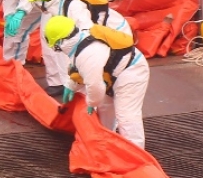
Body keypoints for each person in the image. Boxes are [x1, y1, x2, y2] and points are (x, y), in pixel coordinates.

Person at [44, 15, 151, 149]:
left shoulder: (88, 54)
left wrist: (91, 103)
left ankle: (136, 154)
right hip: (114, 71)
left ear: (59, 41)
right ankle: (105, 144)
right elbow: (78, 68)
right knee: (105, 109)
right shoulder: (78, 41)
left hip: (132, 71)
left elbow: (95, 87)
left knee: (126, 115)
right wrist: (71, 85)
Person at [26, 0, 133, 49]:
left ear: (42, 1)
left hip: (116, 32)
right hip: (106, 32)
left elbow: (87, 33)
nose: (35, 5)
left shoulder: (73, 8)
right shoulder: (58, 6)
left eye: (35, 1)